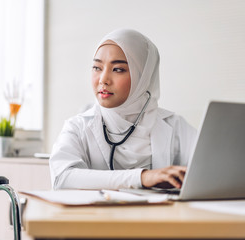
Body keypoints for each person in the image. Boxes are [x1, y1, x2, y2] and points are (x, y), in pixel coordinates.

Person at [49, 29, 197, 190]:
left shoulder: (175, 126)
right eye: (97, 68)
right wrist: (142, 177)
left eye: (118, 69)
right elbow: (62, 178)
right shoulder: (78, 126)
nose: (103, 80)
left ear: (143, 76)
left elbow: (212, 169)